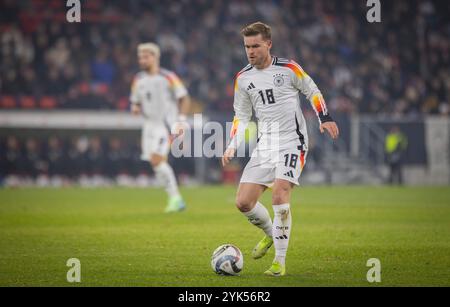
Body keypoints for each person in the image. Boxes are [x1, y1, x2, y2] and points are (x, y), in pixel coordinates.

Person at [222, 22, 339, 276]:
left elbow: (312, 90)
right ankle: (270, 233)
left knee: (279, 193)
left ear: (268, 44)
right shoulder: (243, 78)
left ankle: (279, 262)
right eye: (246, 47)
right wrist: (232, 145)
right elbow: (241, 116)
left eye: (255, 46)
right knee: (243, 202)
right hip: (266, 143)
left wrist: (325, 117)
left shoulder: (288, 68)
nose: (250, 51)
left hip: (292, 140)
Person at [130, 43, 190, 213]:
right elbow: (135, 100)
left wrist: (181, 120)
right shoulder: (138, 79)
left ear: (155, 57)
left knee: (157, 160)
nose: (142, 60)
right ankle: (175, 198)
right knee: (155, 164)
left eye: (146, 56)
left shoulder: (168, 76)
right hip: (148, 126)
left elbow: (184, 98)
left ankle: (176, 198)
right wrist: (135, 106)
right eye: (140, 57)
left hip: (164, 125)